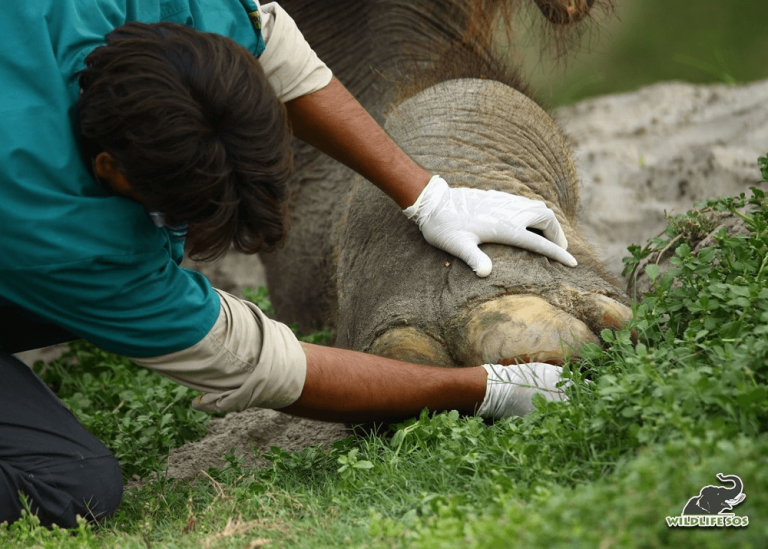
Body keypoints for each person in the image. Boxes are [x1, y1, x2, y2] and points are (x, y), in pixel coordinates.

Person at [0, 0, 578, 527]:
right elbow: (256, 363)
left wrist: (428, 196)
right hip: (20, 230)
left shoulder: (155, 9)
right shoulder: (61, 235)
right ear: (108, 169)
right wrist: (482, 390)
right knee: (70, 486)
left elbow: (268, 40)